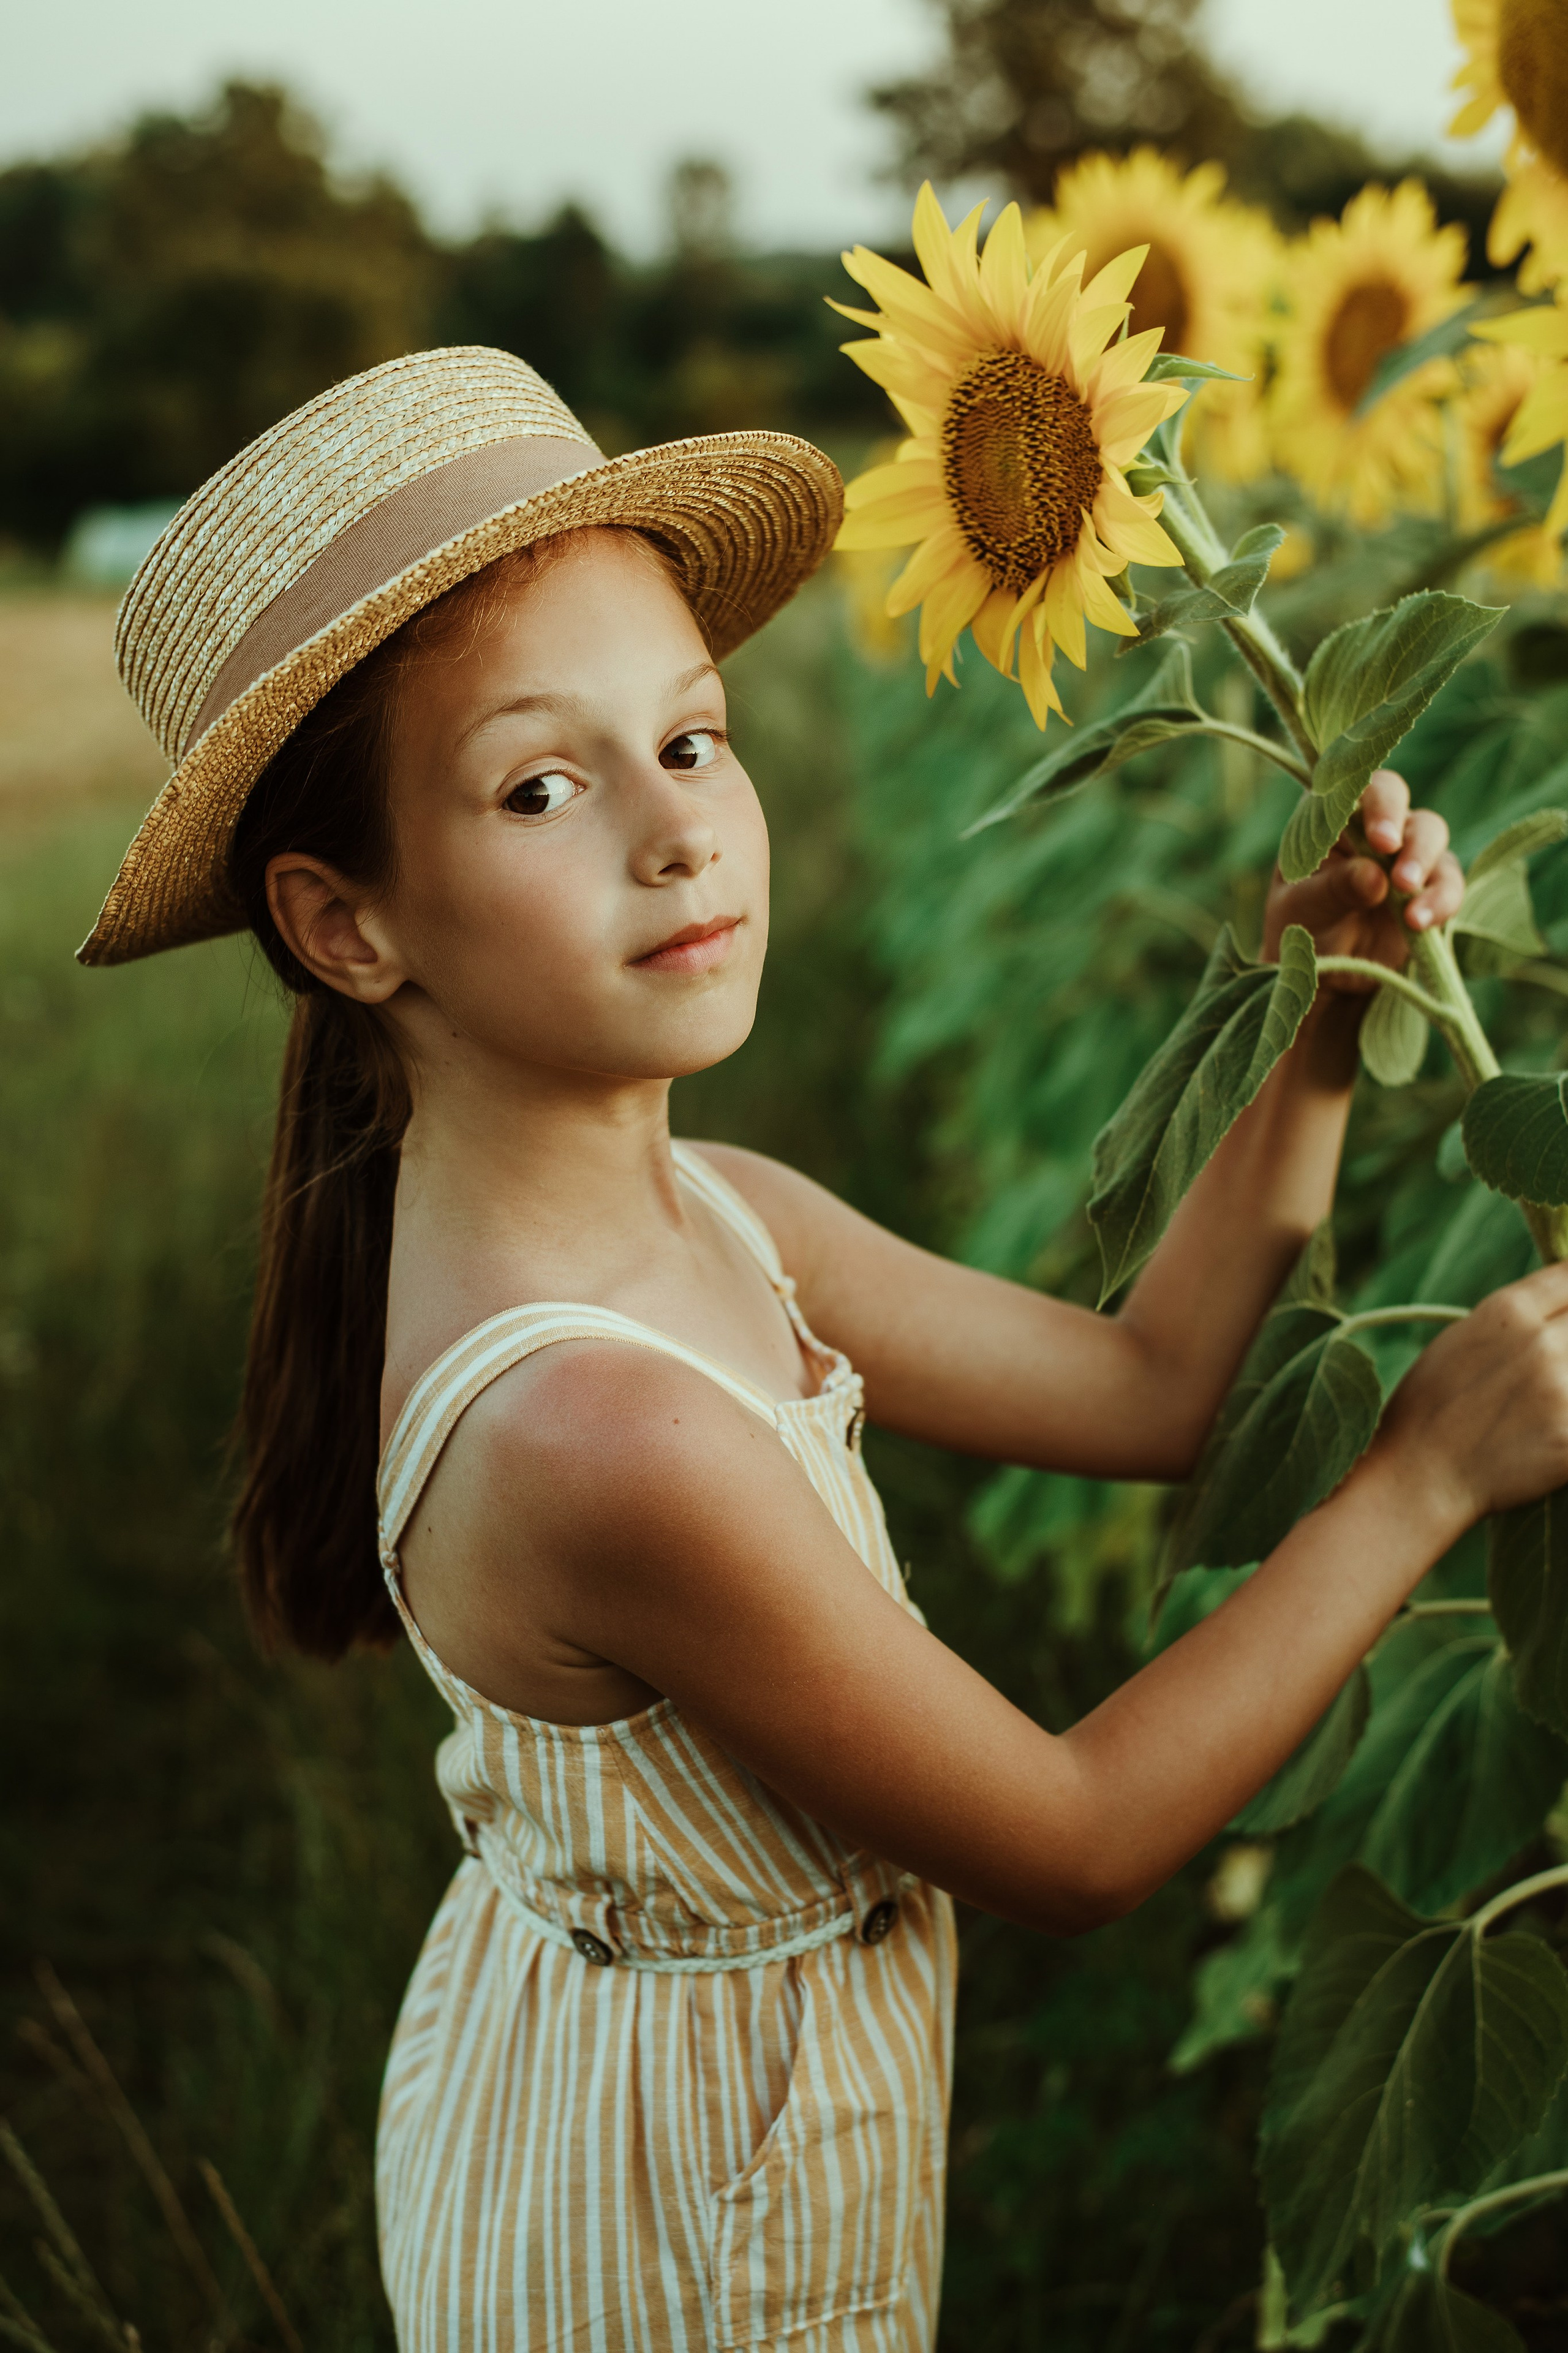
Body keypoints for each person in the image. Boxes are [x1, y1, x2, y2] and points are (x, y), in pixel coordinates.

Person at [86, 346, 1568, 2353]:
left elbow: (1148, 1388)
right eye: (543, 787)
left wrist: (1321, 1016)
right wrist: (1425, 1473)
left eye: (692, 739)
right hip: (679, 2245)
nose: (677, 833)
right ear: (350, 926)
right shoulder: (597, 1431)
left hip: (655, 2118)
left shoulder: (720, 1210)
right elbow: (1075, 1836)